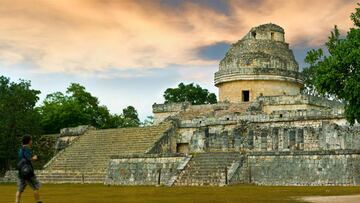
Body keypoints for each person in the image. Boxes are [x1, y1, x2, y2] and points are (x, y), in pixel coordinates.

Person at [15, 135, 42, 203]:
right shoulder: (27, 148)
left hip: (21, 172)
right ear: (29, 141)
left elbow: (21, 159)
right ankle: (38, 201)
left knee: (19, 189)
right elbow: (28, 158)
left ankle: (17, 202)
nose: (31, 141)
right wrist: (35, 158)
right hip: (28, 172)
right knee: (35, 188)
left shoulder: (20, 149)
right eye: (31, 140)